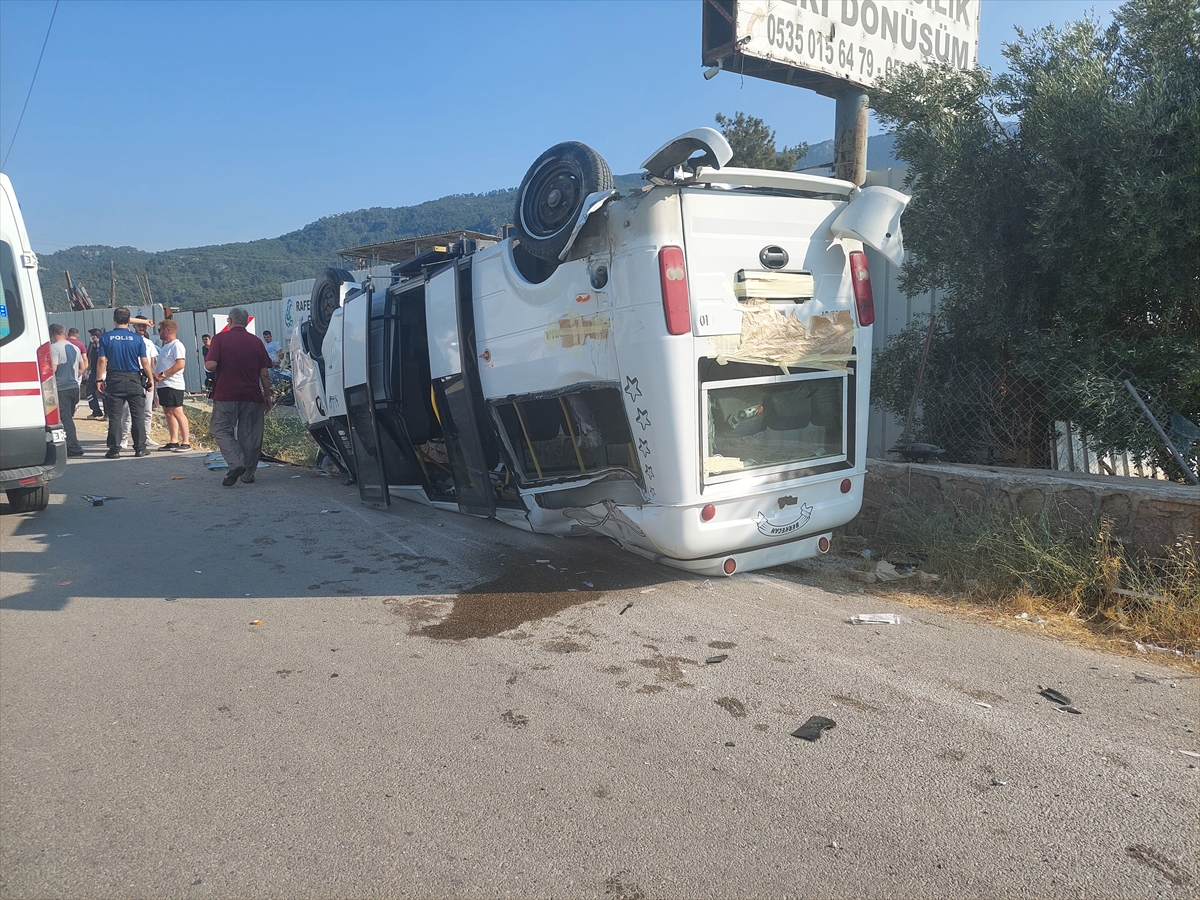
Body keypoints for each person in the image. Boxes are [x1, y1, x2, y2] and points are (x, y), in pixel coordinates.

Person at [205, 307, 273, 486]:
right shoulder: (256, 342)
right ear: (246, 322)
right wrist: (267, 395)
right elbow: (264, 373)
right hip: (252, 395)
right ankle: (248, 475)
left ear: (229, 320)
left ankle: (236, 463)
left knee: (220, 429)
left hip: (225, 394)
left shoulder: (219, 339)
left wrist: (211, 365)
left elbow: (211, 365)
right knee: (249, 435)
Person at [95, 307, 154, 458]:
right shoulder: (137, 338)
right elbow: (145, 362)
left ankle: (114, 449)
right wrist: (150, 380)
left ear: (114, 320)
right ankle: (140, 448)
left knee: (115, 416)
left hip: (115, 379)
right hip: (134, 379)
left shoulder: (106, 337)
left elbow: (102, 360)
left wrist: (99, 379)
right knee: (138, 415)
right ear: (129, 321)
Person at [119, 318, 159, 449]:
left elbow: (152, 362)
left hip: (146, 377)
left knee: (147, 410)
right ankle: (124, 437)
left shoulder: (149, 343)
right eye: (139, 325)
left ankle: (146, 436)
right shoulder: (129, 339)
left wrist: (153, 378)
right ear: (134, 325)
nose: (142, 328)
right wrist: (142, 321)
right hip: (133, 375)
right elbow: (124, 320)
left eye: (145, 326)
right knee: (128, 410)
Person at [49, 323, 86, 457]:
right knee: (68, 417)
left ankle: (73, 446)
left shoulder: (53, 348)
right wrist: (75, 376)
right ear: (64, 333)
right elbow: (83, 366)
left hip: (61, 388)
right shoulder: (75, 347)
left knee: (65, 419)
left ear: (51, 335)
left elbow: (53, 369)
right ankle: (68, 443)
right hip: (74, 387)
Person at [154, 319, 191, 452]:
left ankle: (186, 441)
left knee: (177, 411)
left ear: (166, 330)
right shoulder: (165, 346)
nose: (159, 333)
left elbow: (180, 364)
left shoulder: (177, 345)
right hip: (164, 385)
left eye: (160, 330)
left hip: (173, 384)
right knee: (168, 412)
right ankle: (173, 440)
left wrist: (162, 374)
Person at [85, 328, 105, 419]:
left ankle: (107, 413)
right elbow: (89, 359)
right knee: (89, 391)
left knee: (103, 393)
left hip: (101, 373)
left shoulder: (103, 346)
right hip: (93, 372)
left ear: (95, 337)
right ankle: (96, 411)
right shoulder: (92, 346)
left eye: (92, 336)